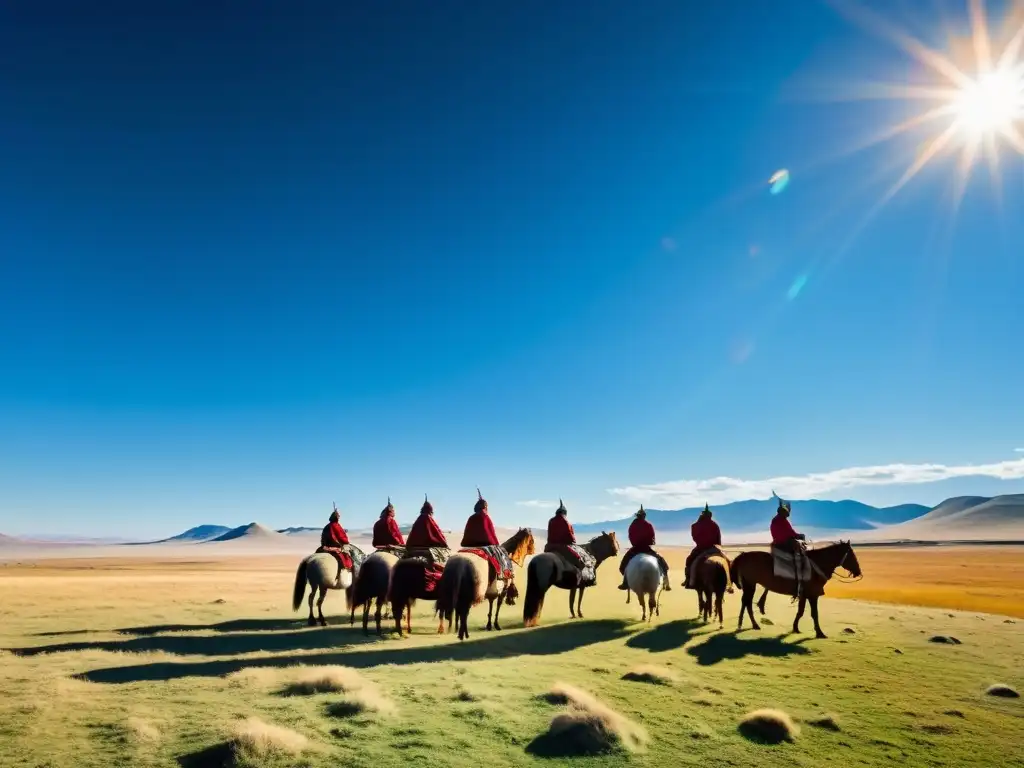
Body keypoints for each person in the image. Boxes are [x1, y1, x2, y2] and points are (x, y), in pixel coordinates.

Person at [618, 505, 672, 591]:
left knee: (624, 564)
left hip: (636, 548)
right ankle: (666, 582)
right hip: (646, 548)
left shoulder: (633, 525)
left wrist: (635, 543)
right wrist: (650, 542)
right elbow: (652, 536)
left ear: (637, 515)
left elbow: (630, 536)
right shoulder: (648, 524)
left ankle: (625, 583)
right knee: (662, 562)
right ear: (644, 516)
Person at [770, 494, 806, 596]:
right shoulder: (781, 520)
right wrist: (799, 536)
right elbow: (790, 533)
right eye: (786, 512)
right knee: (800, 555)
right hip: (784, 543)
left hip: (778, 542)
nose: (787, 514)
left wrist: (796, 535)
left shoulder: (776, 519)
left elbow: (789, 532)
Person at [683, 503, 722, 589]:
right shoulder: (714, 524)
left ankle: (689, 580)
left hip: (700, 548)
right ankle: (728, 582)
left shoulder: (698, 524)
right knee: (725, 561)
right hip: (712, 548)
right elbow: (718, 538)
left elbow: (694, 536)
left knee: (689, 560)